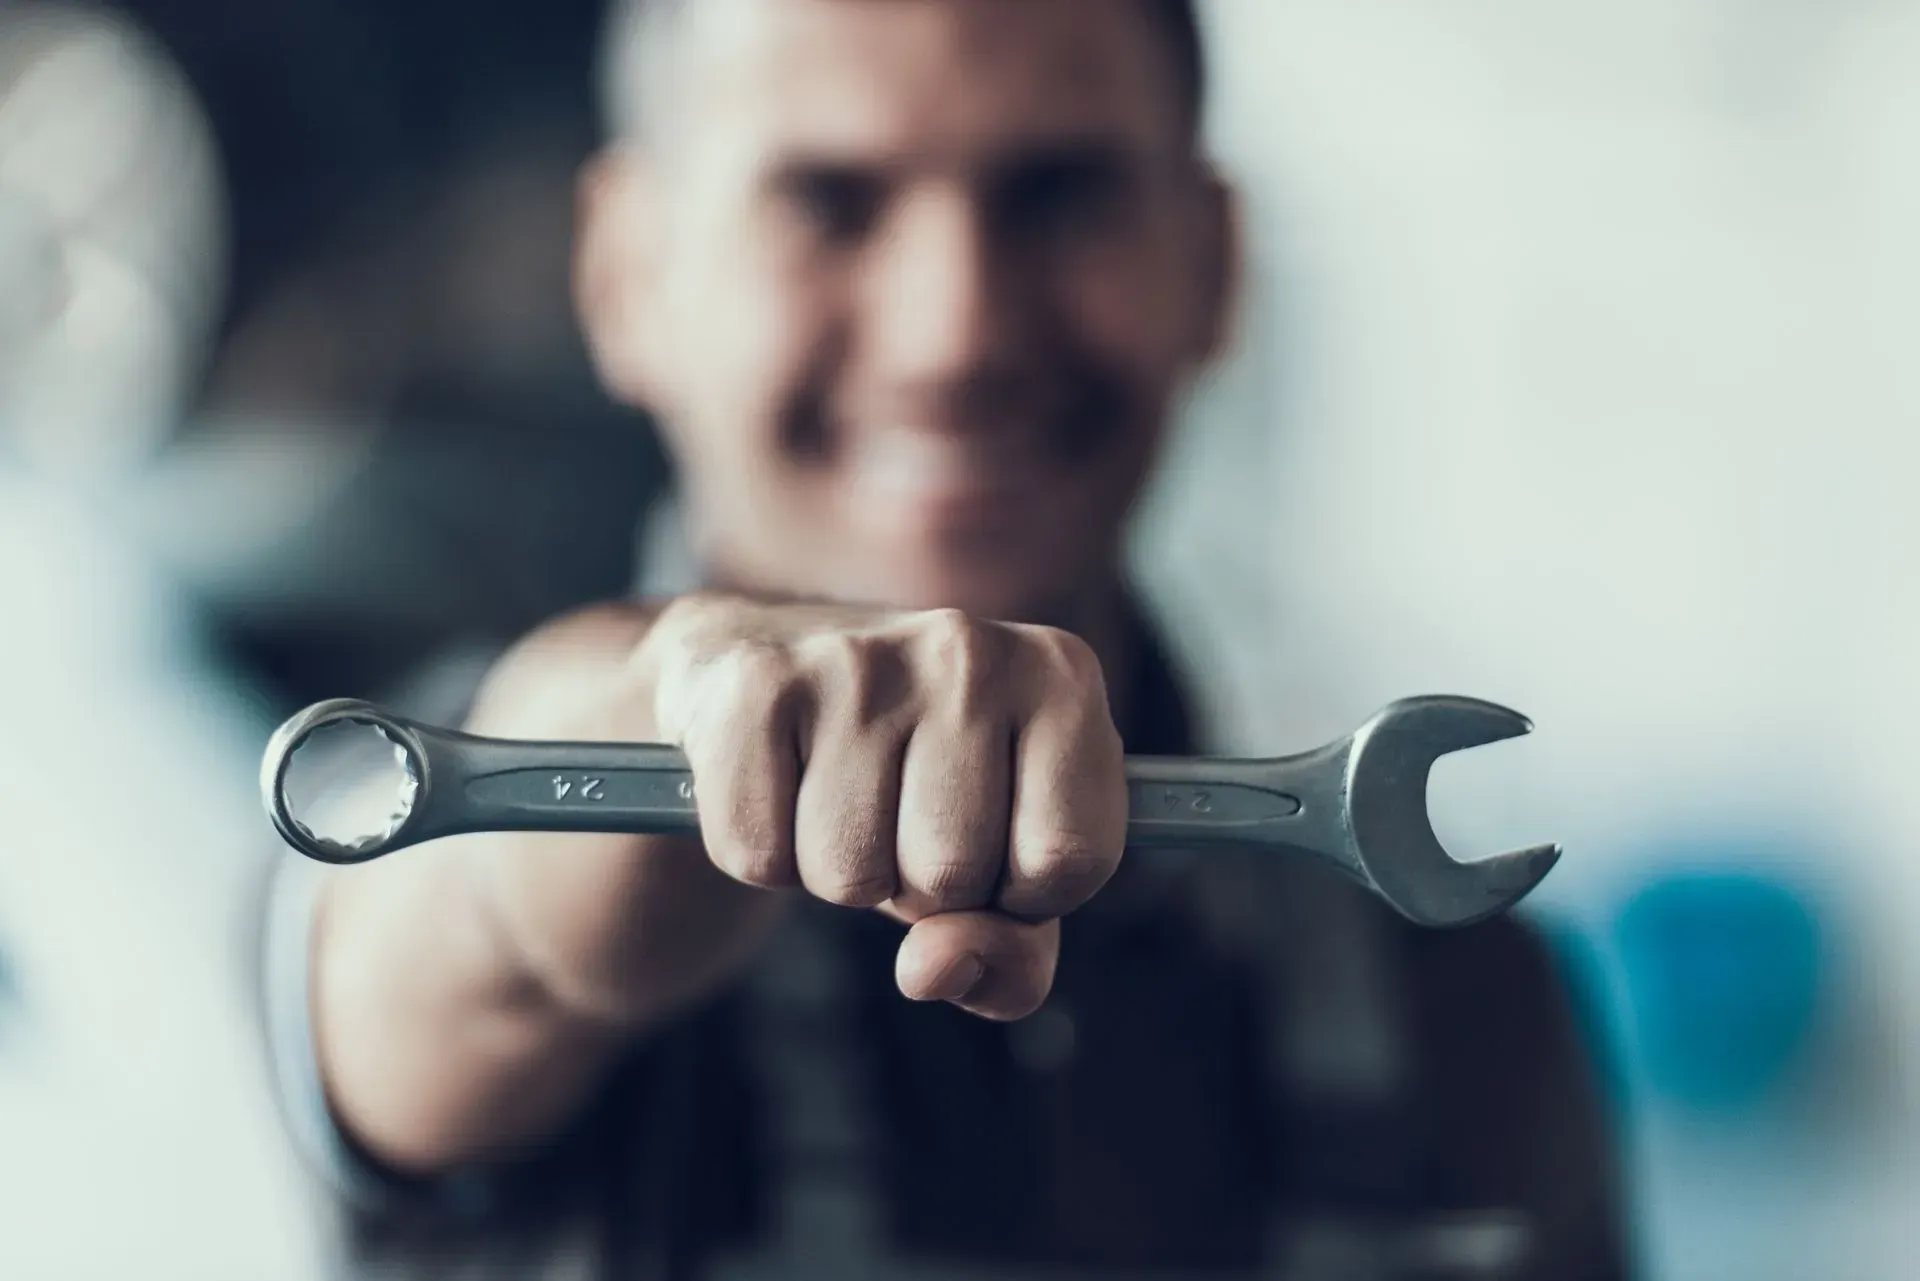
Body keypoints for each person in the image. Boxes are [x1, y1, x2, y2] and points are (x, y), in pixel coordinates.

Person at [262, 1, 1630, 1277]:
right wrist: (678, 720)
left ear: (1211, 263)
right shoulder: (435, 830)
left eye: (1060, 194)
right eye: (828, 204)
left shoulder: (1466, 993)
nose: (954, 333)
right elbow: (475, 941)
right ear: (631, 278)